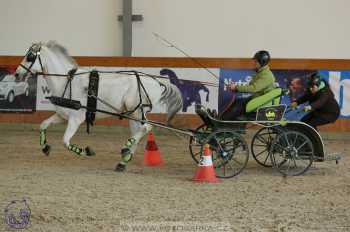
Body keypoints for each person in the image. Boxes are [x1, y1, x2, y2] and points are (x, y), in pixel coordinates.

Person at [220, 50, 276, 120]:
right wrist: (236, 88)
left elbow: (253, 88)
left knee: (239, 105)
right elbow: (250, 86)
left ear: (262, 62)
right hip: (257, 100)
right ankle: (225, 120)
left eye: (256, 62)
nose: (254, 63)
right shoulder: (261, 73)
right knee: (238, 101)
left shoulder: (267, 75)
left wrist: (236, 88)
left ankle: (223, 120)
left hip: (261, 103)